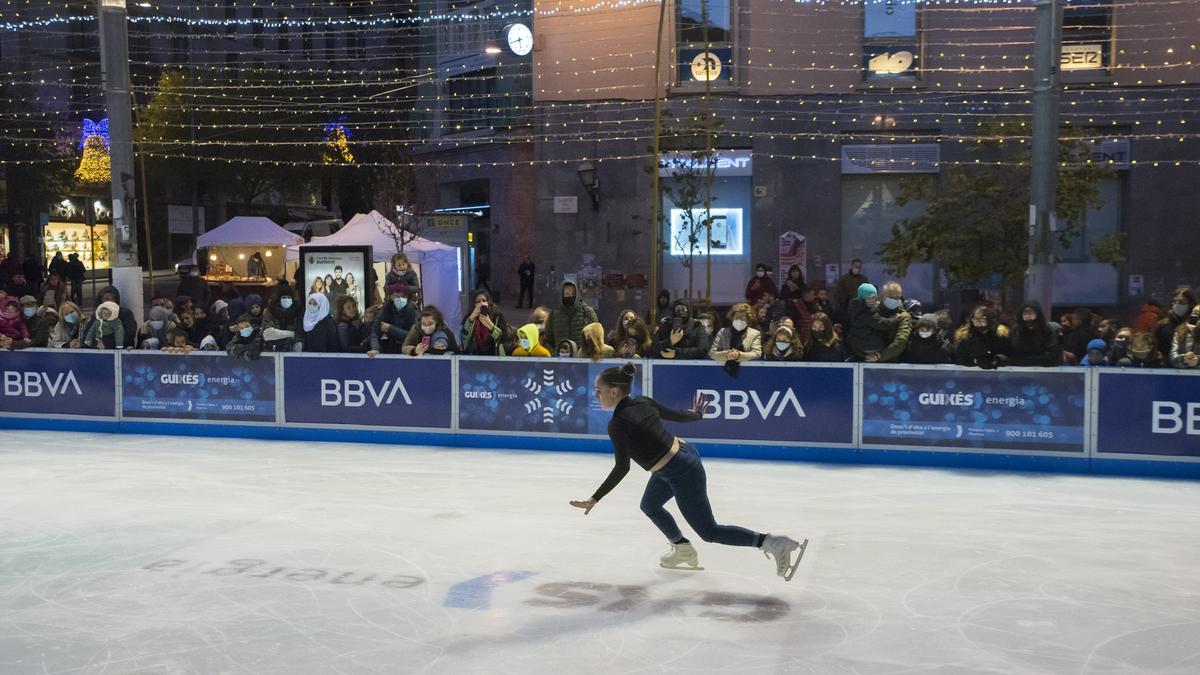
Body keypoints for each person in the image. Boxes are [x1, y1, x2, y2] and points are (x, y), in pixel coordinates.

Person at [570, 364, 807, 580]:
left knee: (709, 531)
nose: (596, 395)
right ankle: (682, 548)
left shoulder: (618, 423)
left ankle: (772, 542)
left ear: (614, 391)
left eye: (598, 390)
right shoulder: (643, 401)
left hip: (680, 470)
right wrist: (698, 414)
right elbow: (680, 416)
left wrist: (595, 498)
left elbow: (623, 466)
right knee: (649, 506)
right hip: (678, 461)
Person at [845, 284, 901, 362]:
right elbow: (882, 324)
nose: (872, 301)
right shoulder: (867, 312)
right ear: (862, 299)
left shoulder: (853, 309)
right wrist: (895, 319)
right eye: (869, 298)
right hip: (872, 348)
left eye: (874, 298)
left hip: (858, 349)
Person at [544, 280, 598, 350]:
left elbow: (596, 338)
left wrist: (586, 354)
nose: (570, 296)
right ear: (562, 295)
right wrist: (555, 354)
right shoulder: (554, 315)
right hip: (560, 358)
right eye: (567, 294)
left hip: (582, 358)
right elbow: (547, 341)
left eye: (573, 294)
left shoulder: (587, 312)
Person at [368, 283, 418, 356]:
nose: (400, 299)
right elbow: (375, 332)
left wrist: (390, 328)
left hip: (407, 350)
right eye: (397, 296)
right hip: (389, 348)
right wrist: (375, 349)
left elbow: (412, 336)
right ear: (391, 297)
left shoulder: (413, 311)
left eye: (403, 296)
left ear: (407, 297)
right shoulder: (385, 309)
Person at [1009, 301, 1061, 367]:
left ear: (1038, 314)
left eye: (1031, 312)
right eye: (1025, 313)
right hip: (1019, 369)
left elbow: (1052, 357)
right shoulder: (1015, 331)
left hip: (1044, 370)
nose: (1028, 316)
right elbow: (1011, 355)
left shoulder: (1047, 330)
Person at [459, 289, 508, 356]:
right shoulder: (469, 316)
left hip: (494, 355)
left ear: (488, 302)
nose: (482, 304)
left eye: (484, 301)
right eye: (478, 302)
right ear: (474, 304)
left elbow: (504, 338)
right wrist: (471, 318)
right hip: (474, 355)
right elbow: (463, 338)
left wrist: (491, 326)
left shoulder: (497, 315)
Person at [1157, 287, 1196, 359]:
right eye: (1174, 301)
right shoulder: (1162, 324)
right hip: (1166, 366)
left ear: (1190, 303)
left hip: (1192, 364)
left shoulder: (1196, 324)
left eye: (1181, 302)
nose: (1176, 304)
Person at [263, 285, 301, 352]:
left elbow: (300, 335)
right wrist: (292, 334)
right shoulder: (270, 311)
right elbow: (267, 334)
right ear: (278, 299)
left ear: (293, 299)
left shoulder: (298, 311)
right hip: (273, 350)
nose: (286, 299)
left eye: (289, 297)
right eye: (283, 297)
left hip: (292, 350)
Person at [1170, 305, 1200, 369]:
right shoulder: (1181, 331)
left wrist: (1198, 361)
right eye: (1195, 312)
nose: (1196, 316)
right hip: (1182, 375)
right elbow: (1173, 357)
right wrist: (1184, 359)